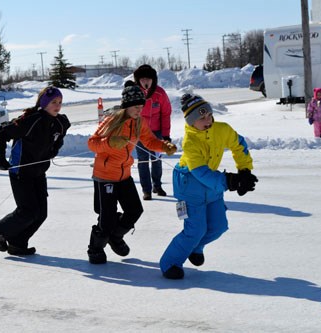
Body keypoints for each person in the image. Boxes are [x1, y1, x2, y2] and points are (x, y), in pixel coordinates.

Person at [159, 93, 258, 279]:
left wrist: (244, 170)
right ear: (190, 122)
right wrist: (230, 181)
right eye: (201, 118)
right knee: (195, 230)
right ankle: (169, 263)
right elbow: (200, 172)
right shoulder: (190, 142)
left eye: (209, 115)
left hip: (212, 185)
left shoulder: (221, 129)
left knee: (219, 226)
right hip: (189, 187)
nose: (208, 120)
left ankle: (195, 247)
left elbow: (239, 144)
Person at [86, 81, 177, 264]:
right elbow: (92, 143)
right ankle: (95, 249)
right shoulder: (112, 120)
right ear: (127, 105)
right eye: (136, 107)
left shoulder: (139, 122)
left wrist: (164, 146)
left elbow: (150, 141)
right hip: (105, 177)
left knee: (135, 210)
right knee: (107, 219)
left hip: (124, 175)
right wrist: (111, 143)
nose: (139, 110)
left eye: (141, 107)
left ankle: (115, 237)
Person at [0, 86, 70, 256]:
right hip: (21, 172)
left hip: (39, 172)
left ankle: (18, 243)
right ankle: (0, 229)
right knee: (28, 211)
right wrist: (0, 159)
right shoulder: (31, 120)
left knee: (41, 214)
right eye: (53, 102)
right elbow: (4, 133)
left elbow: (59, 138)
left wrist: (52, 151)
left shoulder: (60, 123)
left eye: (60, 102)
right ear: (44, 103)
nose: (57, 105)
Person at [133, 64, 172, 200]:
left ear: (153, 80)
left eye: (148, 79)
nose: (145, 82)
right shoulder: (134, 93)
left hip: (157, 133)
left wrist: (166, 135)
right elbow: (127, 113)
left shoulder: (160, 93)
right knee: (143, 161)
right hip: (140, 133)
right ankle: (146, 190)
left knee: (156, 159)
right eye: (142, 79)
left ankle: (157, 185)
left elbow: (166, 114)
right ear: (138, 80)